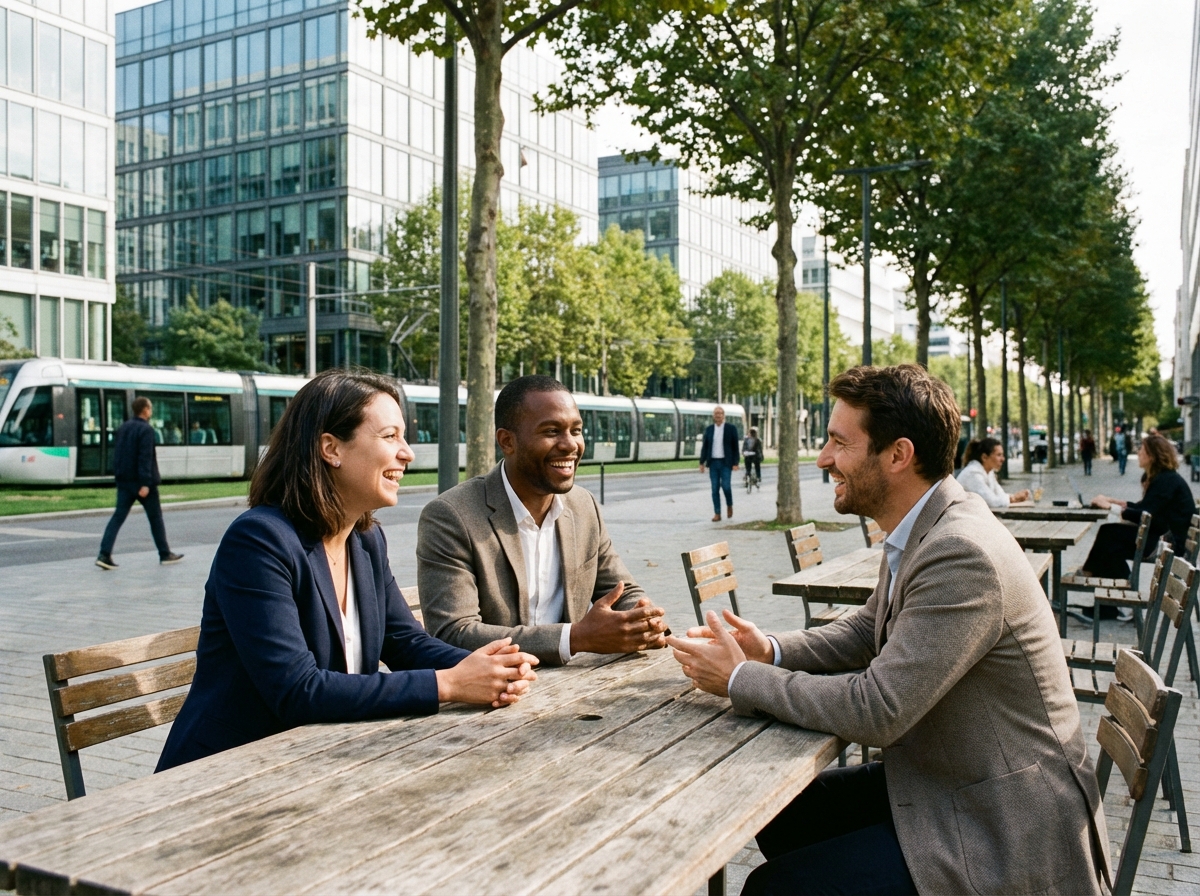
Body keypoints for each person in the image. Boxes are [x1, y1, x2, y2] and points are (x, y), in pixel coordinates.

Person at [667, 364, 1108, 896]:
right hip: (951, 778)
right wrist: (770, 649)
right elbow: (865, 631)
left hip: (1004, 822)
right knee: (781, 812)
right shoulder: (928, 524)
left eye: (838, 443)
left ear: (898, 455)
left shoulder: (958, 552)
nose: (823, 458)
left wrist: (741, 679)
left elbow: (878, 711)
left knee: (774, 888)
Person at [157, 370, 538, 772]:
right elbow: (298, 690)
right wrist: (449, 684)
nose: (407, 453)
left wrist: (495, 664)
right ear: (331, 448)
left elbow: (405, 643)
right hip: (224, 771)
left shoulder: (365, 540)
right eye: (390, 436)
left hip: (319, 758)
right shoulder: (259, 541)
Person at [416, 375, 668, 667]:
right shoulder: (451, 516)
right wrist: (574, 639)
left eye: (576, 430)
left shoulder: (584, 506)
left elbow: (623, 590)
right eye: (552, 431)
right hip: (487, 697)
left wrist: (644, 622)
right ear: (507, 441)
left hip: (572, 688)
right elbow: (453, 633)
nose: (570, 445)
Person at [1082, 432, 1195, 580]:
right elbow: (1143, 507)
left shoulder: (1166, 480)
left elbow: (1145, 514)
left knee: (1109, 535)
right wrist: (1111, 501)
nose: (1138, 452)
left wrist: (1110, 508)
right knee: (1109, 545)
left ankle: (1092, 574)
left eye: (1142, 449)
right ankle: (1113, 583)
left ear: (1152, 456)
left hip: (1169, 545)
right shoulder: (1165, 478)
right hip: (1163, 537)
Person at [96, 397, 183, 570]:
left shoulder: (123, 427)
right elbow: (145, 458)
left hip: (124, 482)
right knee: (155, 519)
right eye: (150, 408)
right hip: (143, 484)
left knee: (117, 517)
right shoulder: (146, 430)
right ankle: (165, 553)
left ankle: (104, 554)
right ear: (144, 410)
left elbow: (118, 456)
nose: (151, 411)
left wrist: (119, 479)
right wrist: (145, 483)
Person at [955, 437, 1030, 508]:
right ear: (984, 457)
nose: (1003, 459)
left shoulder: (989, 472)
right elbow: (991, 502)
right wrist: (1013, 498)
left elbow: (1000, 495)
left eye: (1002, 455)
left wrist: (1014, 498)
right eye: (999, 455)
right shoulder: (972, 474)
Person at [699, 406, 740, 521]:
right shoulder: (709, 429)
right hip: (713, 463)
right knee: (714, 488)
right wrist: (702, 462)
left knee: (726, 486)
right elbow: (705, 446)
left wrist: (735, 462)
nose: (718, 415)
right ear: (713, 416)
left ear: (723, 415)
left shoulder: (731, 428)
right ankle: (717, 513)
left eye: (720, 413)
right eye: (716, 413)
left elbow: (735, 447)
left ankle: (729, 505)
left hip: (726, 462)